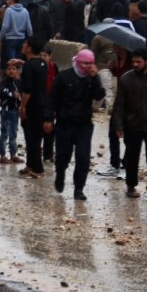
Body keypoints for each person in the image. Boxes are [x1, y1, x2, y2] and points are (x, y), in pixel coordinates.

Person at [44, 50, 105, 200]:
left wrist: (94, 79)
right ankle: (60, 175)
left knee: (83, 157)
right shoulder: (64, 76)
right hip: (64, 124)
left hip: (84, 125)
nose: (88, 66)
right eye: (85, 63)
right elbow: (52, 99)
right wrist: (48, 119)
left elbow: (99, 95)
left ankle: (79, 189)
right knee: (63, 157)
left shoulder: (92, 78)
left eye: (91, 63)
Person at [112, 47, 147, 202]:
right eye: (134, 61)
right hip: (132, 124)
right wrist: (118, 126)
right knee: (132, 156)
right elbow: (119, 104)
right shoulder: (126, 79)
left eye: (139, 61)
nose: (135, 64)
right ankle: (131, 186)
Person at [18, 36, 49, 177]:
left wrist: (22, 106)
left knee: (33, 137)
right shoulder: (43, 63)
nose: (23, 45)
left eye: (25, 43)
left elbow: (27, 89)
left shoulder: (29, 66)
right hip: (42, 102)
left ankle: (38, 168)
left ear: (29, 48)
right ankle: (30, 163)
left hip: (33, 105)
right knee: (33, 135)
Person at [0, 0, 32, 73]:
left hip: (10, 39)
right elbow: (29, 27)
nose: (7, 1)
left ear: (12, 0)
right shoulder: (25, 11)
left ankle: (13, 79)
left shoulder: (9, 11)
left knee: (12, 61)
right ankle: (18, 78)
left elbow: (5, 26)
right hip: (22, 38)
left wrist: (0, 38)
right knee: (19, 61)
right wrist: (30, 39)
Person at [0, 61, 23, 164]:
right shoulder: (3, 83)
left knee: (13, 133)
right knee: (5, 134)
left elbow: (22, 95)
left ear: (17, 71)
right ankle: (2, 156)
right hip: (6, 111)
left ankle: (13, 155)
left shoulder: (19, 83)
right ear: (6, 71)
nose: (11, 71)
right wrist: (12, 95)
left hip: (15, 111)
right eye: (9, 69)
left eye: (13, 69)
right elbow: (1, 93)